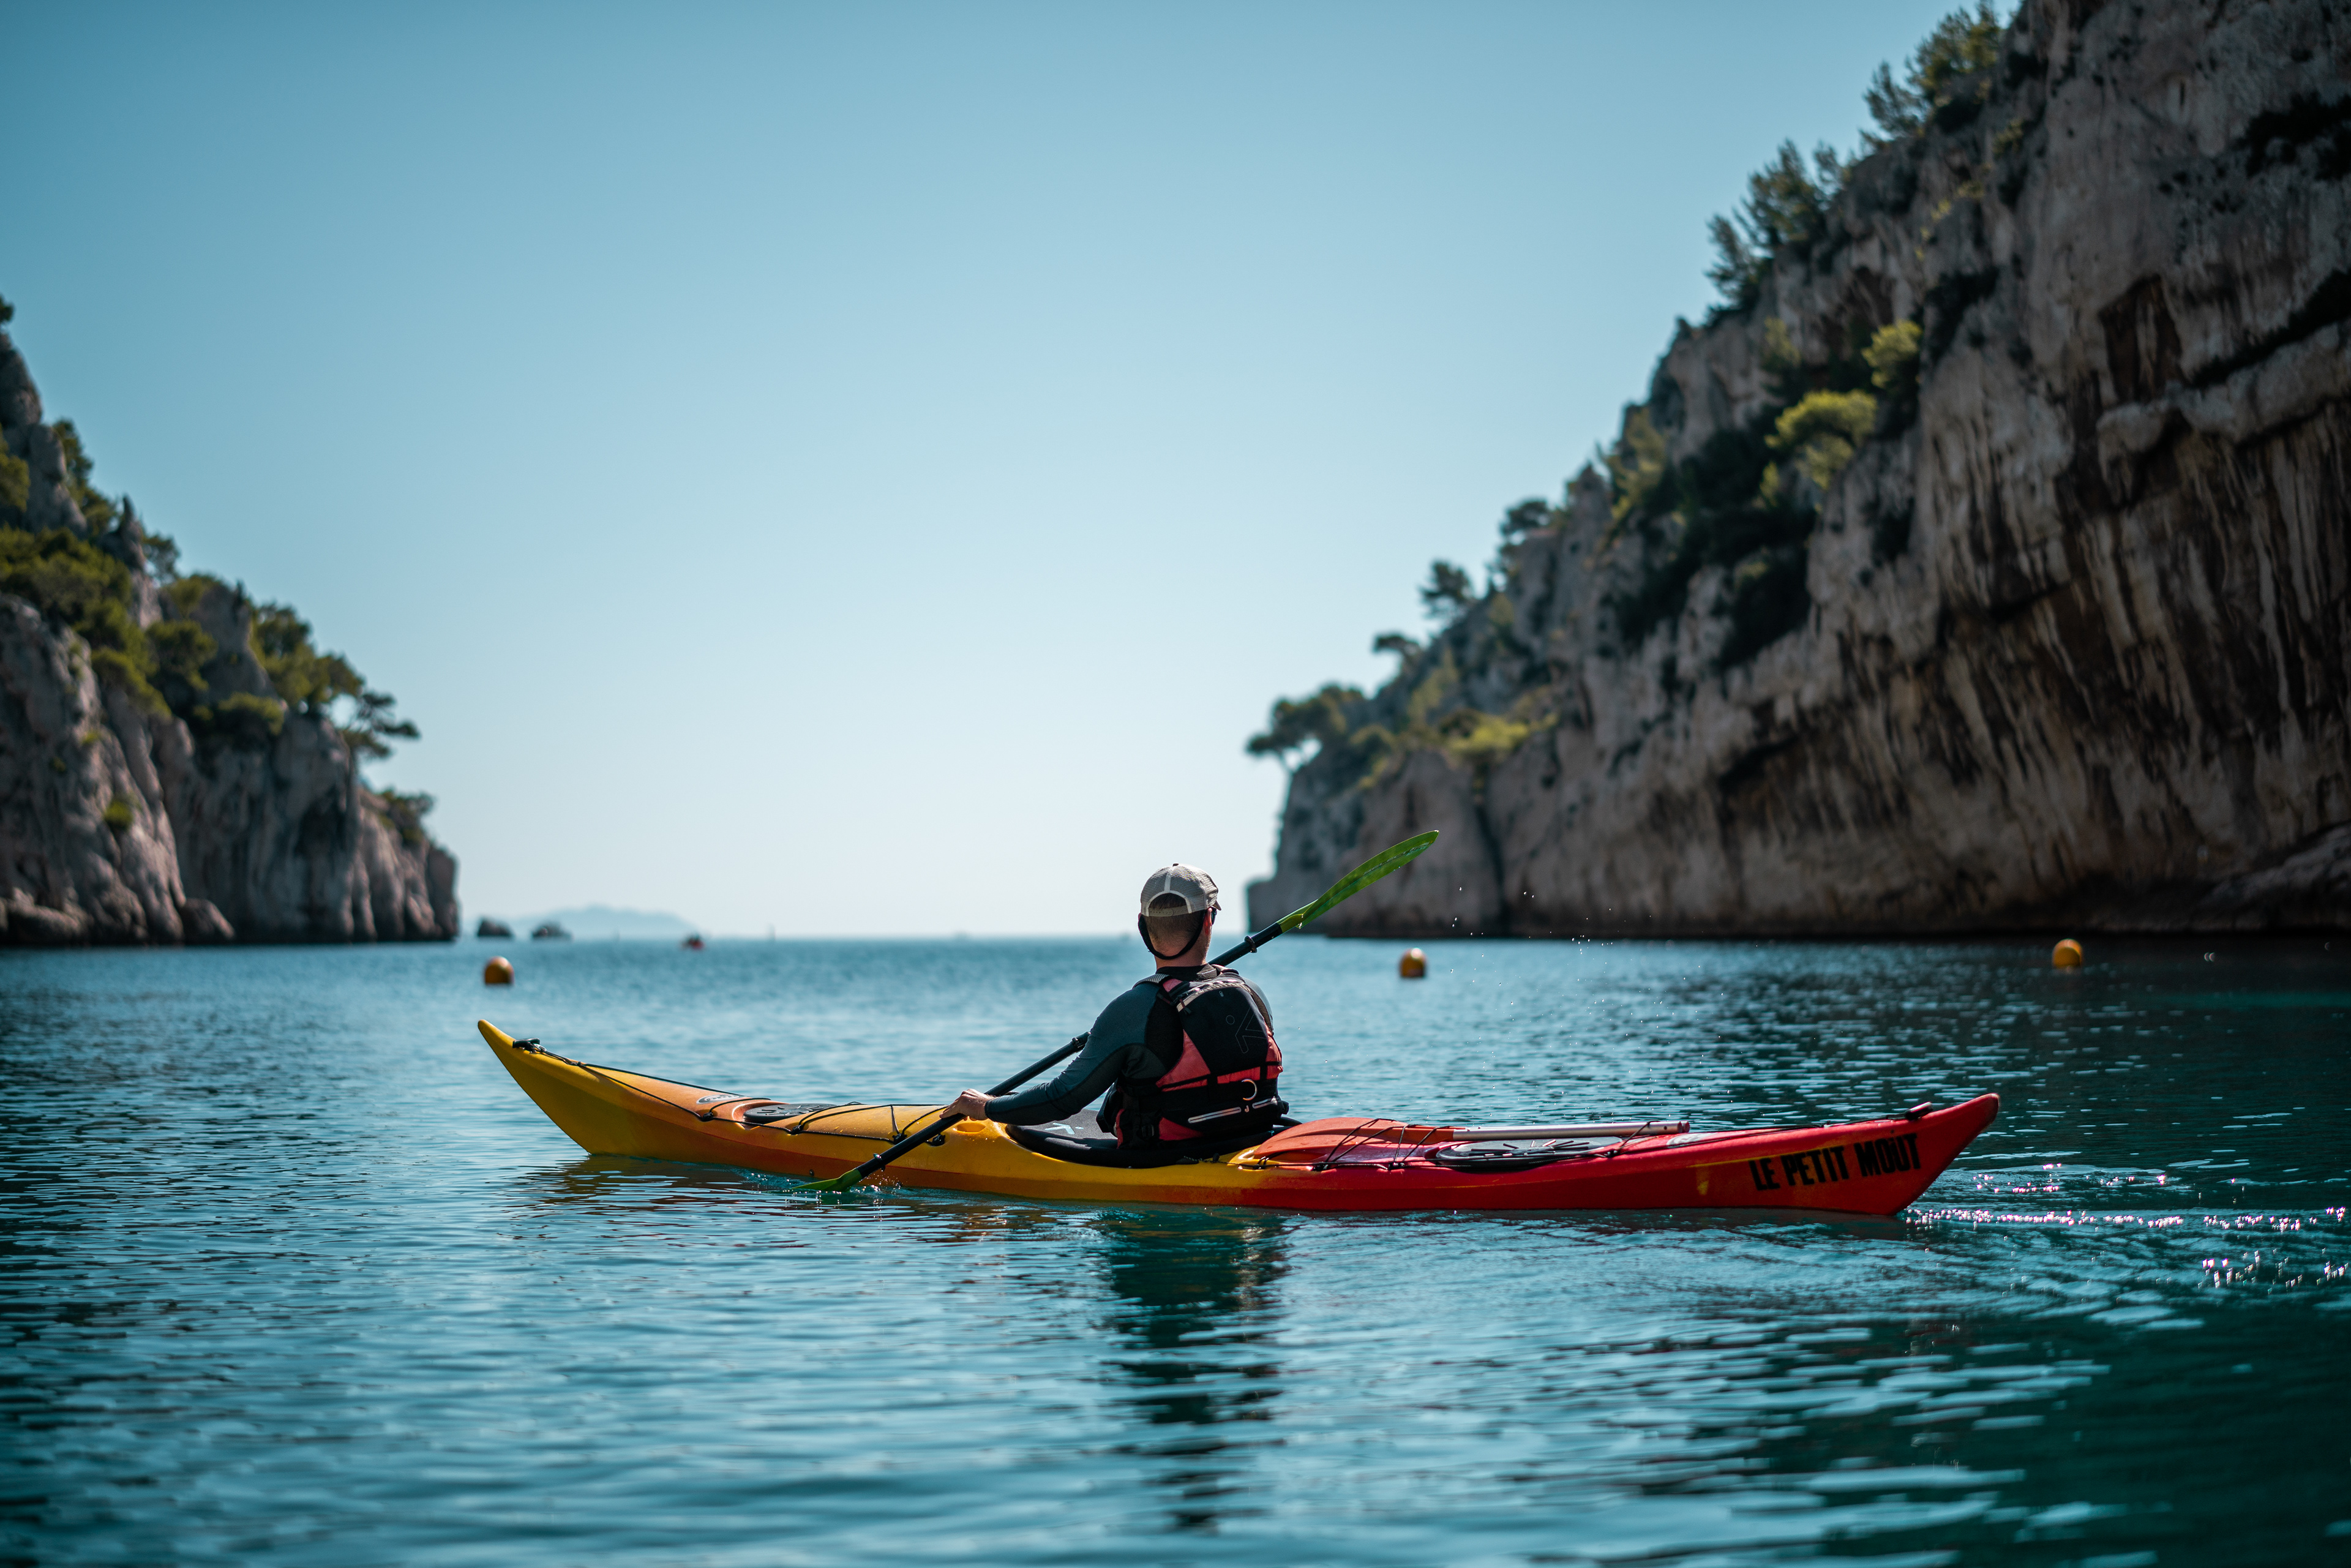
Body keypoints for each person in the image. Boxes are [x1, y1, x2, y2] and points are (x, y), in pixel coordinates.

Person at [948, 864, 1287, 1153]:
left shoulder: (1132, 1010)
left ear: (1142, 927)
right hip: (1249, 1143)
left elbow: (1062, 1099)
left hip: (1165, 1157)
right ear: (1209, 922)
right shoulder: (1251, 993)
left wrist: (987, 1106)